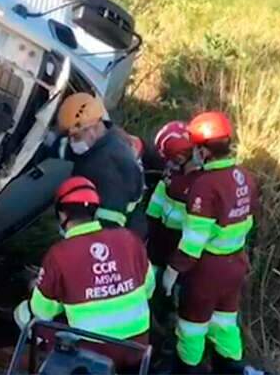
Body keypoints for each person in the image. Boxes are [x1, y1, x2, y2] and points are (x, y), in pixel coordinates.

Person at [14, 176, 155, 372]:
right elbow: (148, 288)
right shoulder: (129, 239)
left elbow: (42, 311)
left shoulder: (59, 255)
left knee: (24, 314)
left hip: (93, 355)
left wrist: (37, 286)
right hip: (137, 349)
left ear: (62, 214)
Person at [162, 112, 260, 374]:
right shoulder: (244, 177)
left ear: (203, 150)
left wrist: (173, 271)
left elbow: (194, 240)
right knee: (225, 324)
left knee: (191, 327)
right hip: (235, 263)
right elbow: (249, 220)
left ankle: (189, 369)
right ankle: (232, 368)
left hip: (208, 270)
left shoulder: (205, 186)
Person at [56, 92, 146, 236]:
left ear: (92, 129)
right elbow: (67, 148)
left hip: (119, 237)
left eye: (75, 136)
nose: (72, 142)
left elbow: (107, 226)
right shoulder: (103, 137)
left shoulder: (111, 168)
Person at [146, 121, 199, 273]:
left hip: (181, 238)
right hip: (161, 232)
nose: (170, 164)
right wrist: (151, 225)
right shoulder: (172, 171)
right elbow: (159, 197)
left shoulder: (201, 182)